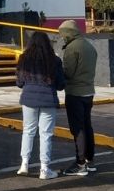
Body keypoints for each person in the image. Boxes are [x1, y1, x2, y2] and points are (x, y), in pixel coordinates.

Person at [16, 31, 65, 180]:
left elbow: (19, 82)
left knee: (28, 131)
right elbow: (61, 84)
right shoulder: (54, 60)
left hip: (29, 99)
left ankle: (24, 164)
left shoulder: (24, 58)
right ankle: (44, 169)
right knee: (46, 134)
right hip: (48, 100)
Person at [58, 19, 98, 176]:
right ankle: (90, 160)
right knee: (87, 126)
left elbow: (68, 73)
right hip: (89, 91)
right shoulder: (89, 45)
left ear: (68, 33)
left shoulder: (72, 48)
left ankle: (80, 164)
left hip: (75, 93)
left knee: (78, 129)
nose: (62, 37)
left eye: (63, 34)